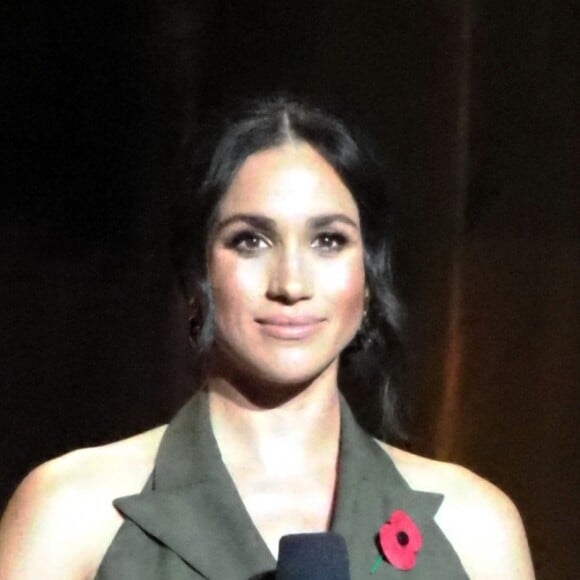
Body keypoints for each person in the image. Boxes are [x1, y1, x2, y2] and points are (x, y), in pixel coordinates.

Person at [0, 95, 534, 579]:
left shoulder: (472, 529)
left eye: (328, 241)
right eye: (251, 241)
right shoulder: (72, 512)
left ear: (369, 278)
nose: (291, 284)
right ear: (194, 278)